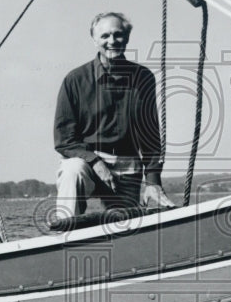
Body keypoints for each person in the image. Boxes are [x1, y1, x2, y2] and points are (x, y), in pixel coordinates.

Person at [53, 12, 174, 219]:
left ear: (126, 38)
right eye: (105, 36)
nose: (112, 41)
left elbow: (150, 136)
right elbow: (64, 140)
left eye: (118, 35)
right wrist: (95, 161)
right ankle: (65, 233)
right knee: (72, 170)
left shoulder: (142, 78)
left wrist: (153, 181)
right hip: (88, 164)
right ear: (94, 39)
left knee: (125, 226)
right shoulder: (74, 80)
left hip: (128, 165)